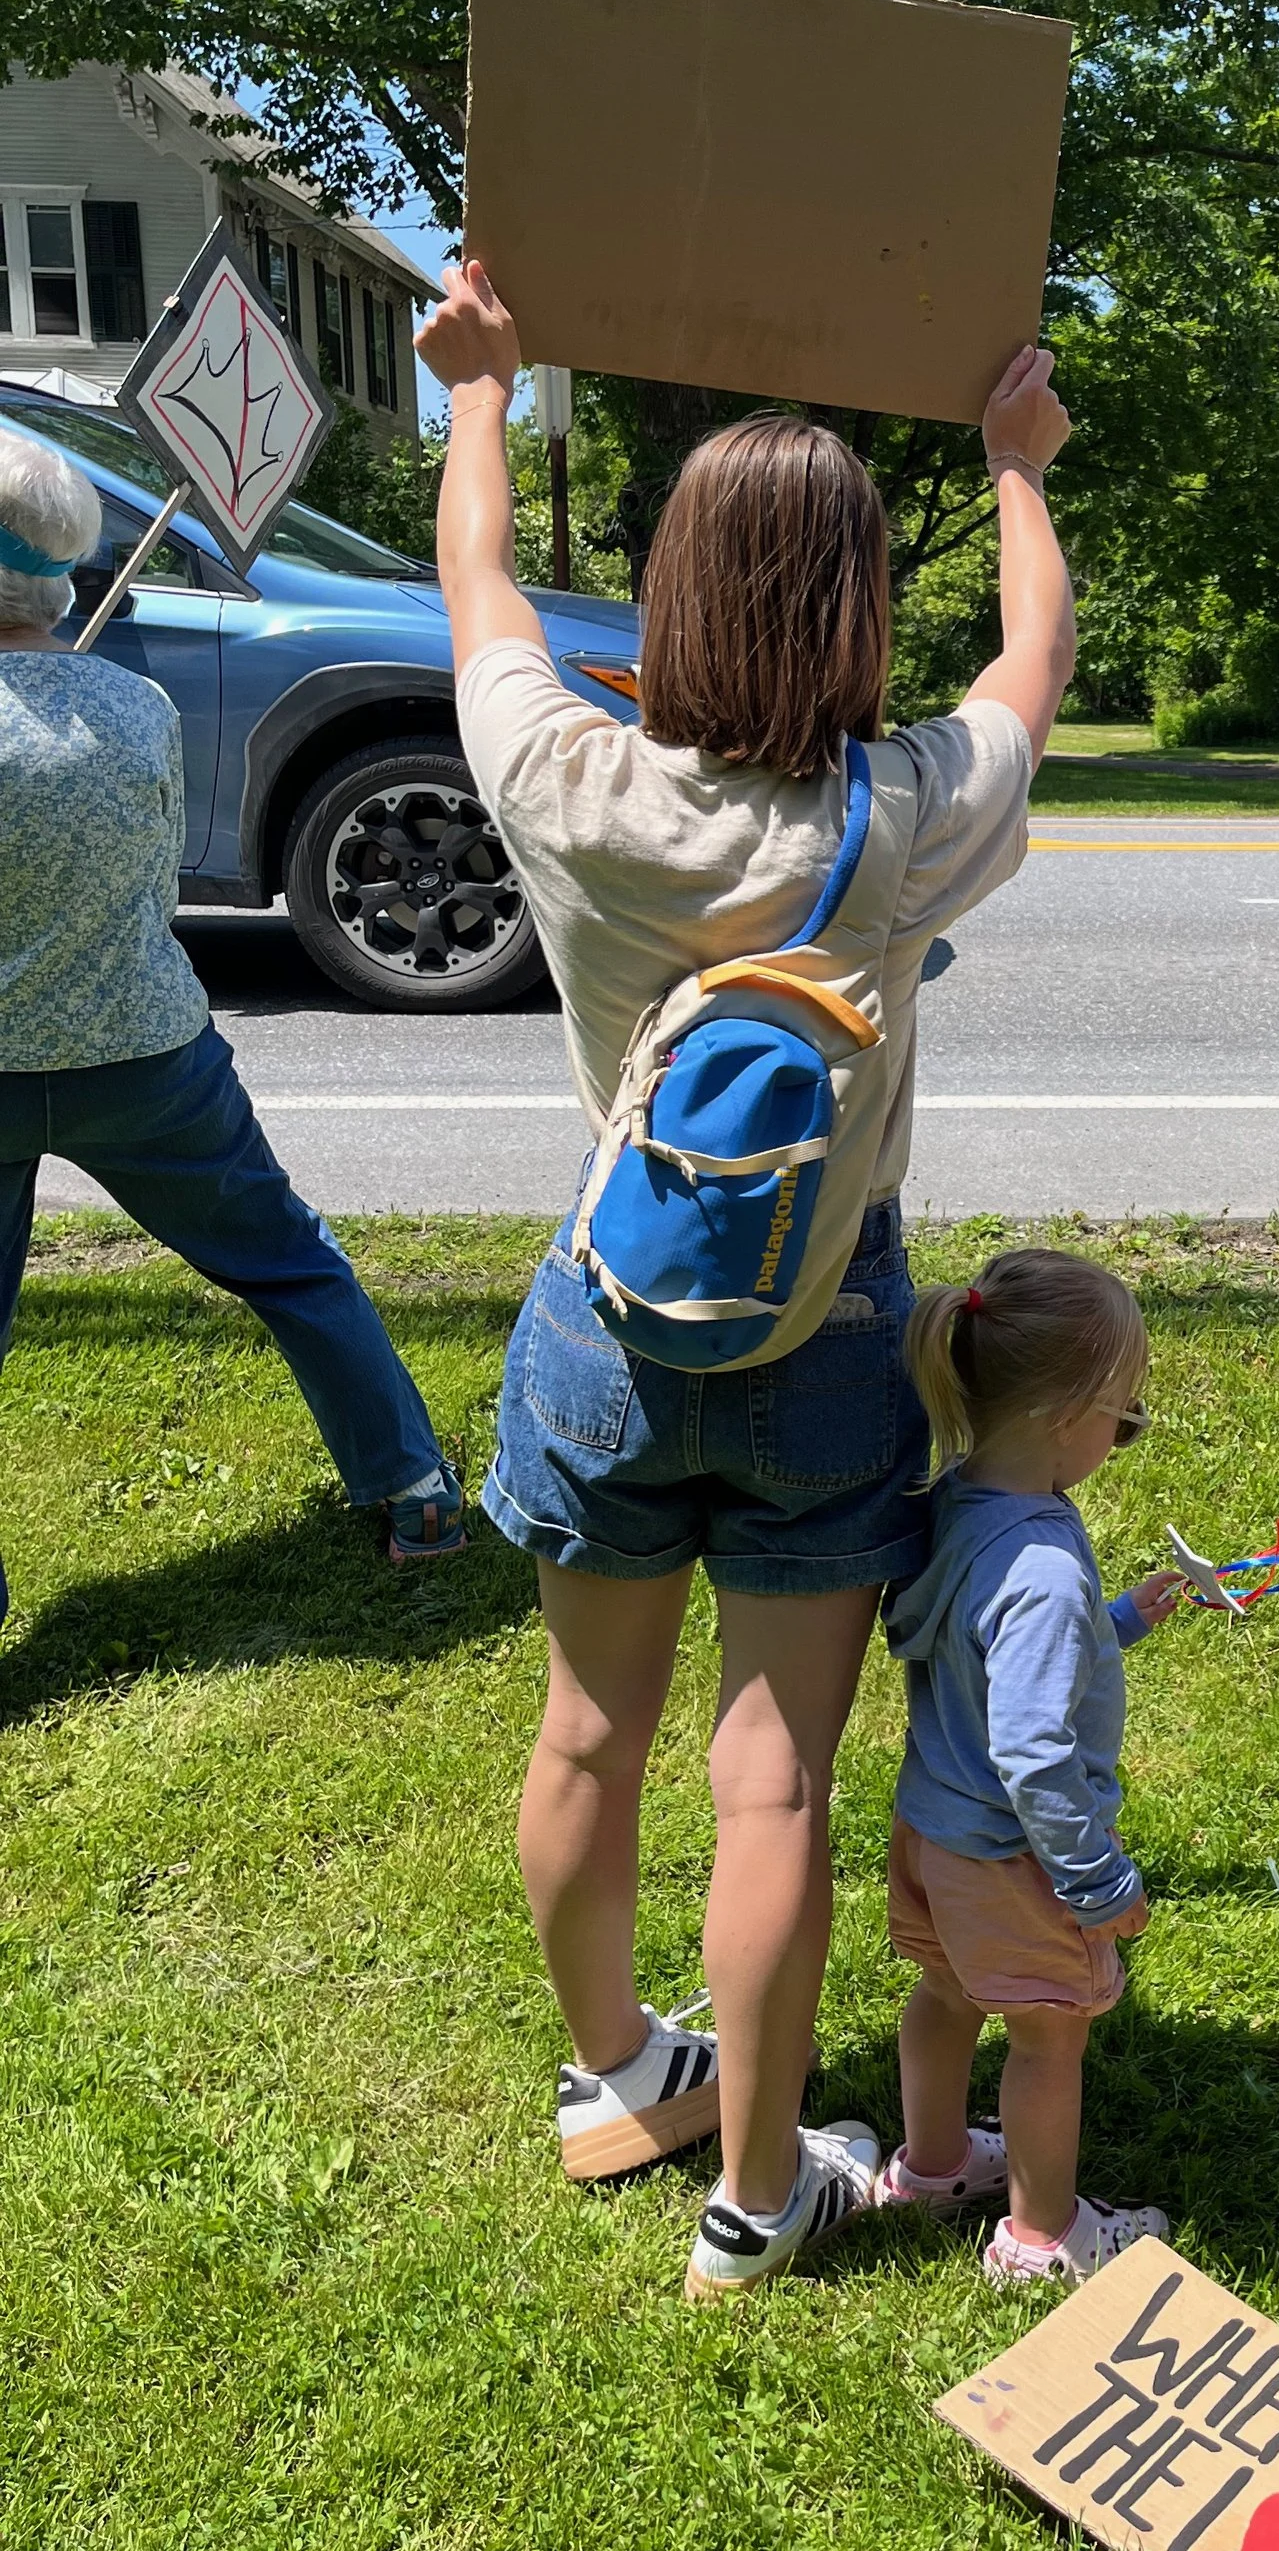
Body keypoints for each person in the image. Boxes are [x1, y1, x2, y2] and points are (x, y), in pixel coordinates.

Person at [418, 261, 1076, 2302]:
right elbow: (1033, 671)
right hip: (828, 1344)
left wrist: (479, 393)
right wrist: (1018, 467)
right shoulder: (899, 825)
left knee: (583, 1733)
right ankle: (760, 2187)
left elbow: (480, 595)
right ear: (868, 613)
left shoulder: (575, 787)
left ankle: (616, 2069)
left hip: (604, 1333)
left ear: (674, 601)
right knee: (770, 1765)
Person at [0, 425, 465, 1630]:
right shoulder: (139, 708)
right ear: (61, 567)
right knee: (294, 1265)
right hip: (149, 1056)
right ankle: (413, 1491)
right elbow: (152, 888)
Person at [875, 1248, 1181, 2285]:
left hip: (931, 1833)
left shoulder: (959, 1503)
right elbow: (1035, 1750)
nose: (1123, 1432)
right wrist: (1097, 1884)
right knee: (1050, 2039)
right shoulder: (1044, 1569)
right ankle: (1044, 2239)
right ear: (1066, 1412)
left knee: (946, 1995)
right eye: (1123, 1411)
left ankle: (932, 2165)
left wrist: (1121, 1621)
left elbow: (991, 1654)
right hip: (1013, 1859)